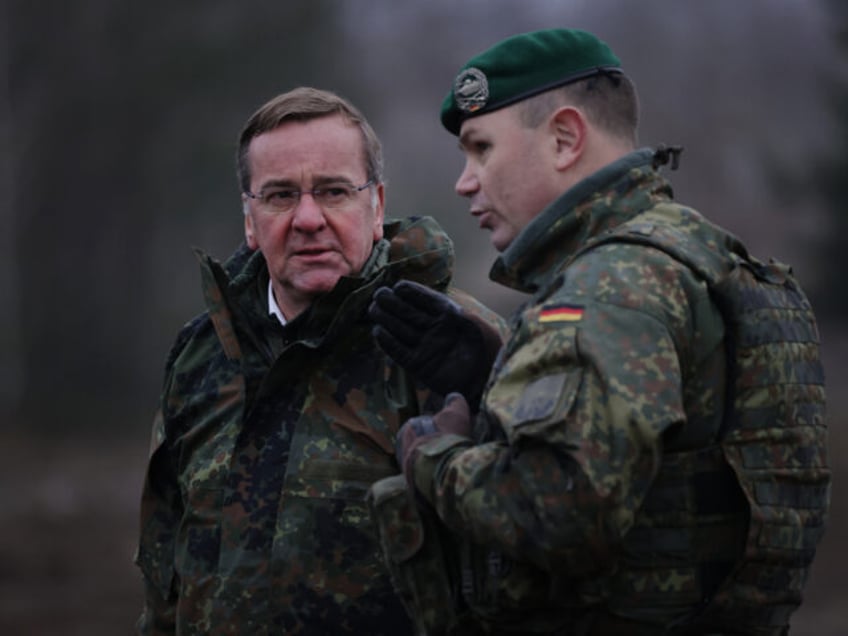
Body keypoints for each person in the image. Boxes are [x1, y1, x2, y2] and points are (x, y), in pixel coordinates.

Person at [368, 29, 831, 634]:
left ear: (565, 139)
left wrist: (434, 456)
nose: (465, 180)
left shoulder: (609, 288)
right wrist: (501, 377)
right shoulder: (706, 257)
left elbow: (556, 513)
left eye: (481, 149)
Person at [134, 86, 507, 635]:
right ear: (248, 219)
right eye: (280, 195)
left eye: (333, 191)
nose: (308, 219)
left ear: (376, 205)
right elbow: (165, 572)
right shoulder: (203, 355)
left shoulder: (457, 347)